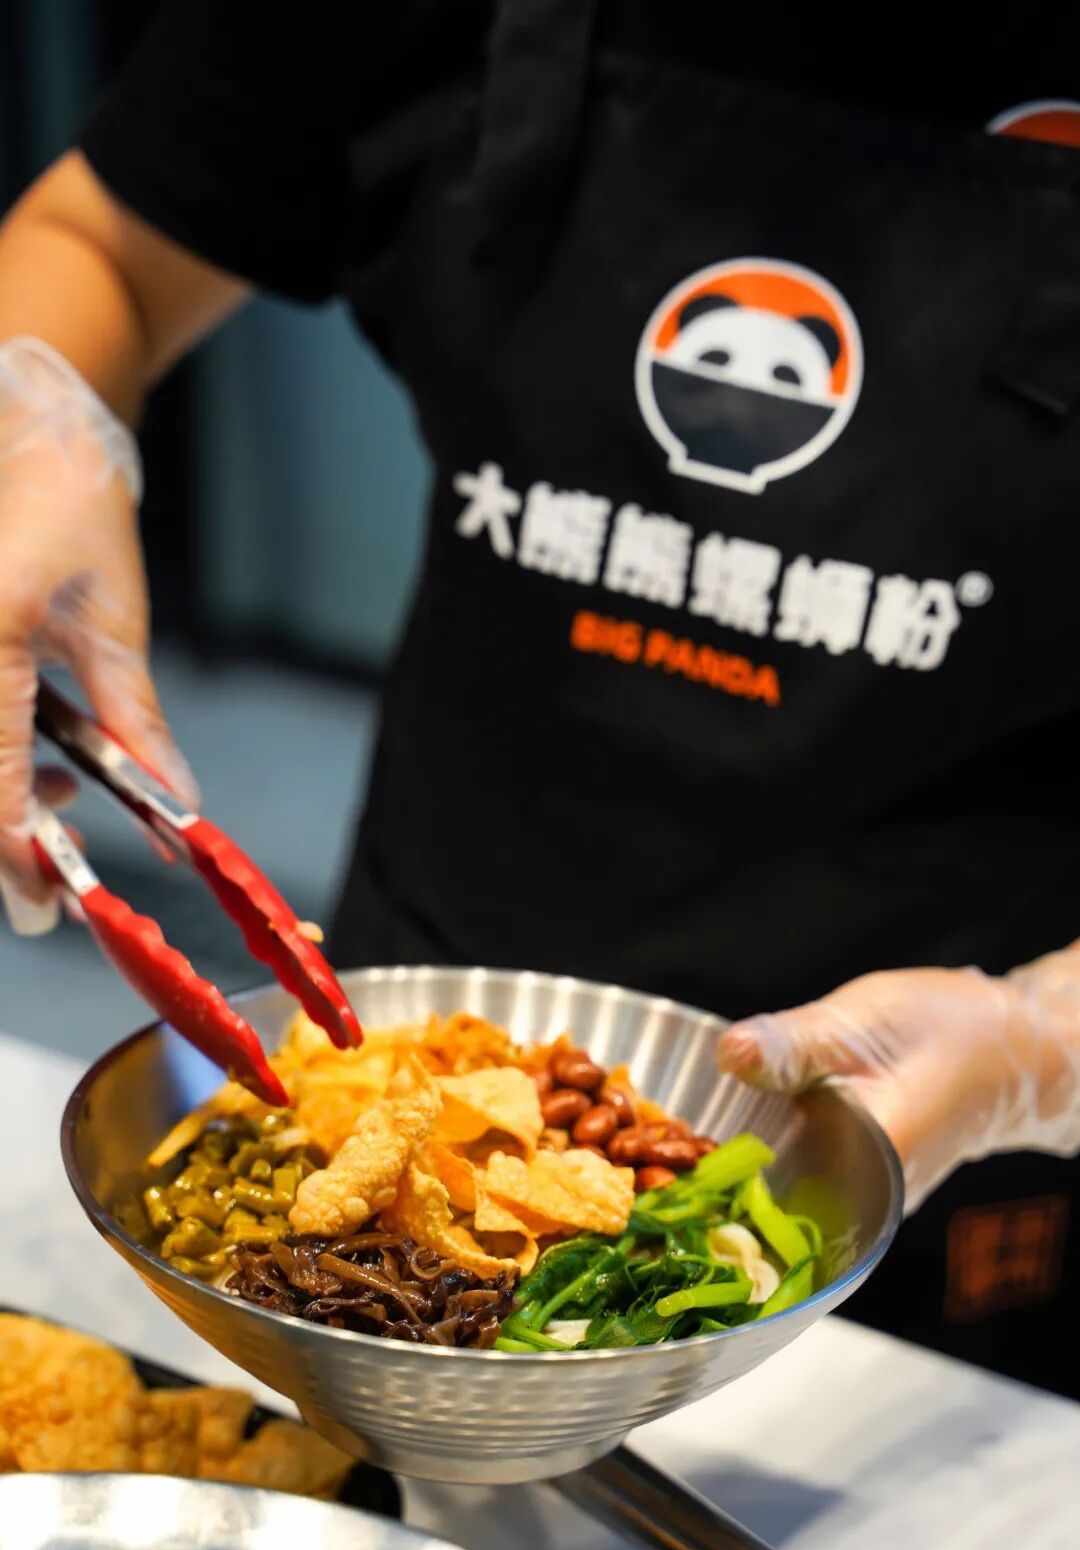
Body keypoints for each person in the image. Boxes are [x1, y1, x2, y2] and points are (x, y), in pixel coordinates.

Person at [1, 2, 1078, 1394]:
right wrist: (39, 431)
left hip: (946, 1193)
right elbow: (99, 242)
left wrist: (1035, 1044)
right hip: (414, 997)